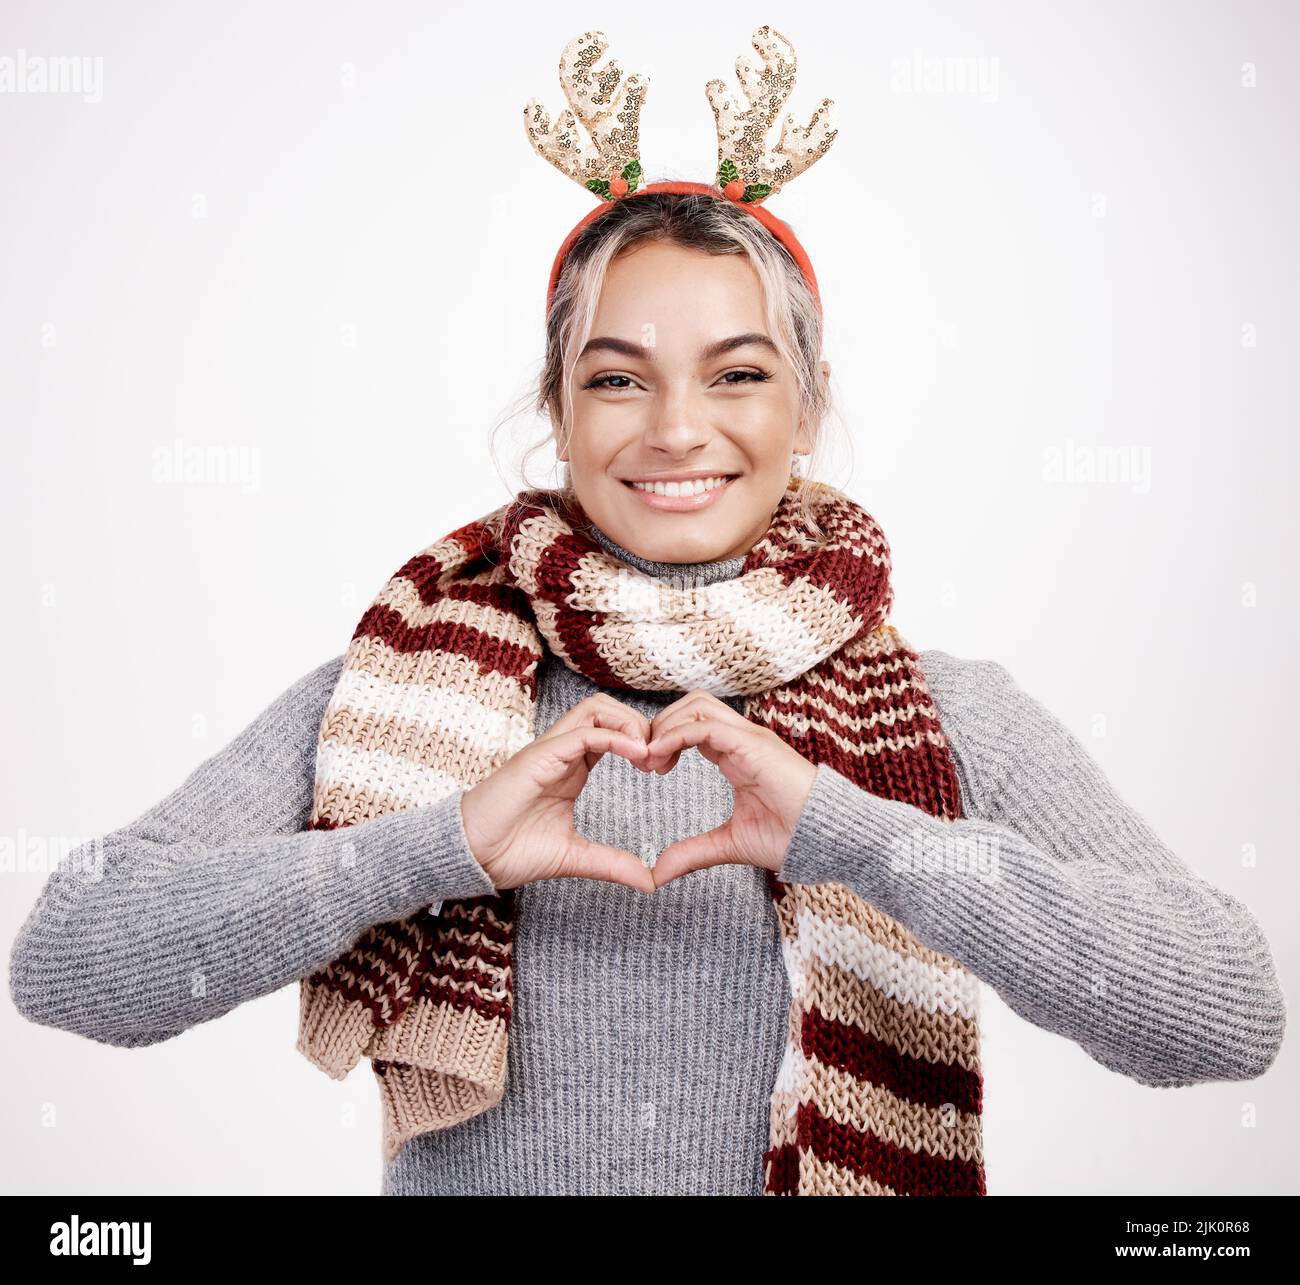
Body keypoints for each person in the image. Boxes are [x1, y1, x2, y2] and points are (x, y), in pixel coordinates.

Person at [8, 29, 1286, 1197]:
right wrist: (432, 844)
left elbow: (1227, 1017)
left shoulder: (950, 718)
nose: (677, 428)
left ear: (807, 401)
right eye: (618, 378)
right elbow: (66, 958)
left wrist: (862, 837)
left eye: (737, 373)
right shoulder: (406, 680)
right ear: (557, 411)